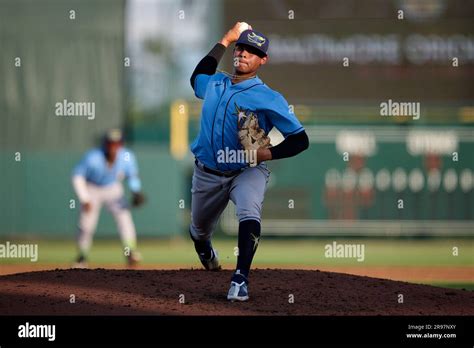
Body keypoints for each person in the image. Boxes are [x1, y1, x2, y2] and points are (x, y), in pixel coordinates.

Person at [189, 22, 309, 301]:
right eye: (241, 47)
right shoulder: (215, 82)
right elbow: (196, 77)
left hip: (246, 170)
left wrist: (266, 153)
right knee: (199, 231)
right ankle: (204, 247)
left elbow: (300, 140)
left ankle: (240, 278)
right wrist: (226, 38)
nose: (243, 53)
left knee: (249, 212)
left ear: (262, 60)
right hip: (207, 172)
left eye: (252, 51)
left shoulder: (269, 97)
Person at [71, 129, 146, 268]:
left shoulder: (126, 156)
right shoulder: (93, 157)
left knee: (124, 217)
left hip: (113, 188)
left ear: (121, 144)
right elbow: (77, 176)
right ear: (105, 144)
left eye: (117, 143)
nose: (114, 147)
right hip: (92, 188)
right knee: (86, 224)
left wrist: (136, 191)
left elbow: (132, 175)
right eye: (111, 143)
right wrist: (84, 198)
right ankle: (82, 256)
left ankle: (130, 251)